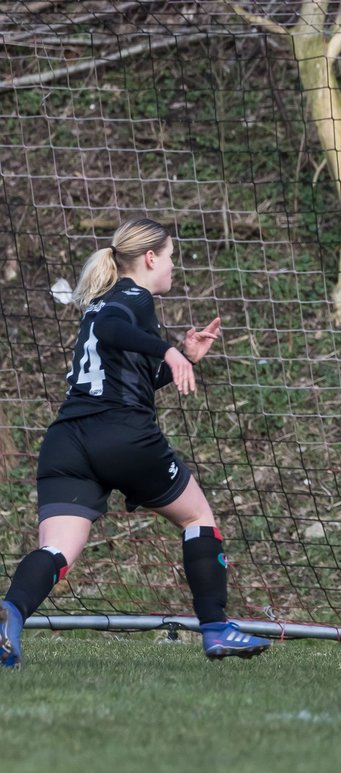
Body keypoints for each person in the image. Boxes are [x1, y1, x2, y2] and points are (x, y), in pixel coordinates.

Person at [0, 217, 270, 669]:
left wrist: (183, 355)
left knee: (57, 549)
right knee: (198, 516)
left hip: (68, 442)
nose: (172, 267)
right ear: (149, 258)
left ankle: (8, 614)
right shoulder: (130, 298)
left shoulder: (111, 302)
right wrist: (165, 348)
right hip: (121, 434)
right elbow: (110, 327)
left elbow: (127, 376)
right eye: (169, 258)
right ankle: (218, 629)